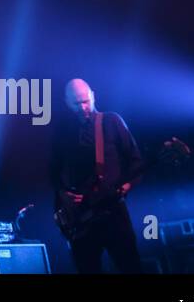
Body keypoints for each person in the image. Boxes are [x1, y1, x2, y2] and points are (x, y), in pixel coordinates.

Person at [49, 78, 144, 273]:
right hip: (81, 219)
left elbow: (136, 161)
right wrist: (64, 196)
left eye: (86, 101)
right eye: (77, 103)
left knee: (130, 267)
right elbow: (54, 171)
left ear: (93, 95)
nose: (83, 107)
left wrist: (127, 186)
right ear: (66, 102)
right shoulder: (62, 131)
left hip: (113, 211)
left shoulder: (111, 121)